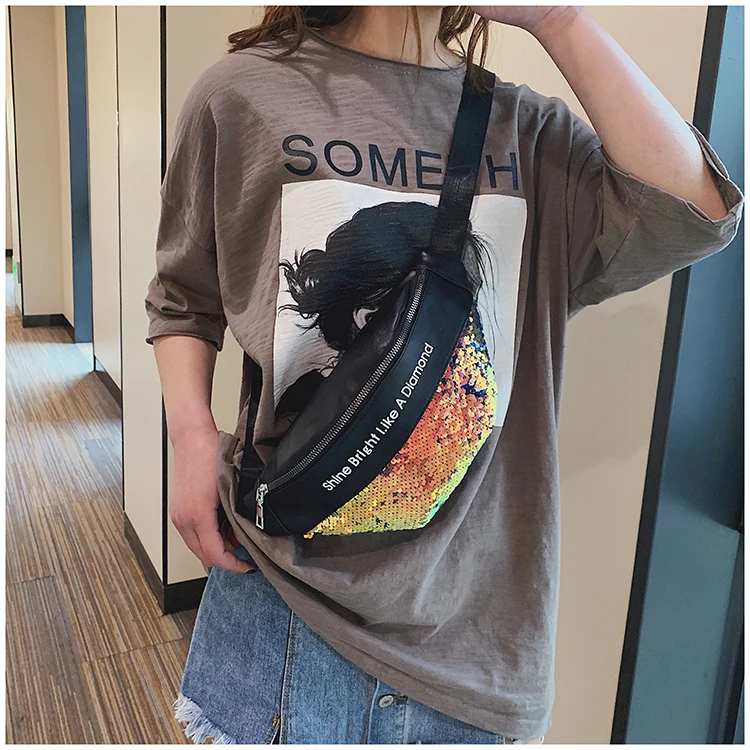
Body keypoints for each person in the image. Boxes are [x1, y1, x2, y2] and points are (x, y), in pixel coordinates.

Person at [144, 6, 743, 745]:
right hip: (283, 599)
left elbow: (695, 212)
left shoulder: (532, 136)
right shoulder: (240, 95)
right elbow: (184, 293)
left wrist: (558, 19)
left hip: (476, 641)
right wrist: (191, 435)